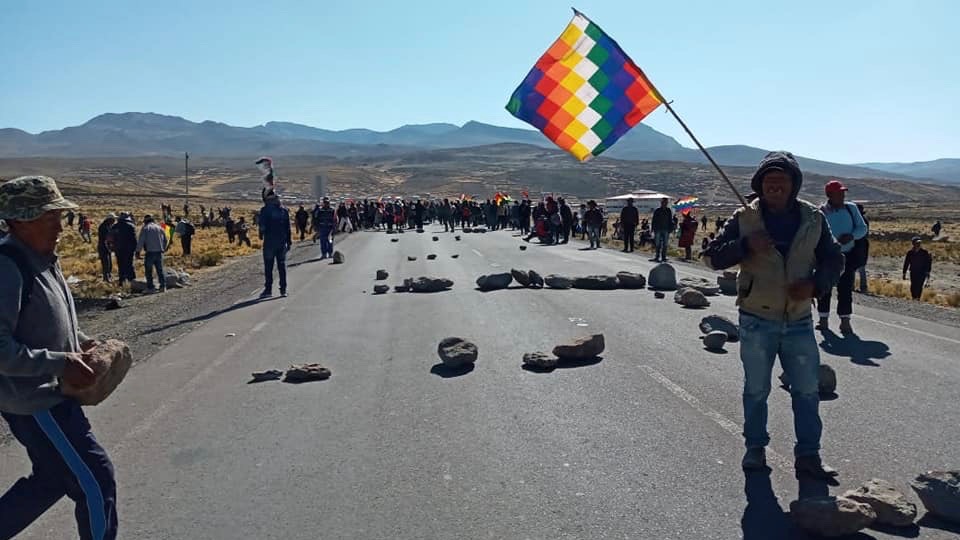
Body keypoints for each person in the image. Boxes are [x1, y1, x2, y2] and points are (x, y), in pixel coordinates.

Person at [703, 151, 843, 479]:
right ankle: (755, 448)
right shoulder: (744, 218)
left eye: (782, 181)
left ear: (794, 185)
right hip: (756, 320)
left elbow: (834, 259)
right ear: (759, 184)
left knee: (807, 391)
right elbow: (710, 258)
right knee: (756, 389)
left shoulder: (813, 218)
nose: (775, 186)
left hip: (799, 320)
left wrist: (816, 285)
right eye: (769, 181)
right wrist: (745, 245)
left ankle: (809, 455)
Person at [0, 176, 119, 540]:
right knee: (96, 480)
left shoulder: (42, 259)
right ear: (20, 220)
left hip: (52, 395)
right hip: (37, 402)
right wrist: (60, 362)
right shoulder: (7, 267)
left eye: (60, 216)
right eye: (49, 217)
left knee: (51, 481)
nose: (60, 226)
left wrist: (82, 342)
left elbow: (50, 320)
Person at [817, 180, 868, 334]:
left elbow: (862, 228)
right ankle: (823, 319)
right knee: (824, 288)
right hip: (827, 256)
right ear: (829, 195)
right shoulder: (821, 212)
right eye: (838, 193)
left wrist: (852, 236)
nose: (842, 195)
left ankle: (845, 321)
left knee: (845, 289)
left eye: (843, 193)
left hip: (847, 255)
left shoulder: (851, 208)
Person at [258, 190, 292, 298]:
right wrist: (289, 241)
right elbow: (288, 228)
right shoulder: (284, 210)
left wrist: (261, 234)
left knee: (269, 267)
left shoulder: (265, 210)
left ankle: (268, 290)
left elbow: (262, 226)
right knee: (281, 266)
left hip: (269, 242)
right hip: (281, 242)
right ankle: (283, 290)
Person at [136, 214, 168, 293]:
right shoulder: (159, 227)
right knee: (160, 270)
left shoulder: (145, 228)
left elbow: (141, 241)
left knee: (149, 271)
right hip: (159, 252)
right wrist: (163, 248)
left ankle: (151, 288)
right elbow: (165, 240)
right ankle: (163, 287)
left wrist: (138, 251)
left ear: (145, 221)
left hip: (150, 252)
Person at [112, 213, 137, 286]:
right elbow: (134, 239)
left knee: (120, 265)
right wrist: (135, 249)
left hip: (118, 249)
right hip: (129, 249)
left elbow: (111, 238)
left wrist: (113, 248)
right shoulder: (130, 226)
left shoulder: (115, 226)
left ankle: (122, 281)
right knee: (129, 264)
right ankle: (132, 281)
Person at [652, 197, 673, 262]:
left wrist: (670, 228)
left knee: (665, 244)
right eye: (663, 202)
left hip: (666, 229)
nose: (665, 203)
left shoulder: (668, 211)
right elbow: (654, 220)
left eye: (666, 202)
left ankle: (663, 257)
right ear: (661, 203)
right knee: (657, 244)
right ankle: (657, 256)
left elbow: (670, 220)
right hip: (658, 229)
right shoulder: (657, 210)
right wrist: (653, 228)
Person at [97, 213, 117, 282]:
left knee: (109, 263)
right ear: (109, 219)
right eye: (113, 219)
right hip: (103, 247)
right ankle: (106, 277)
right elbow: (106, 238)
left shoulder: (108, 226)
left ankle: (108, 275)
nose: (114, 221)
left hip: (106, 247)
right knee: (106, 263)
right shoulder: (104, 227)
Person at [855, 203, 870, 293]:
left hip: (859, 244)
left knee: (856, 266)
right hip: (862, 244)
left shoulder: (859, 220)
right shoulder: (864, 220)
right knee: (861, 266)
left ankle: (861, 286)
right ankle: (863, 287)